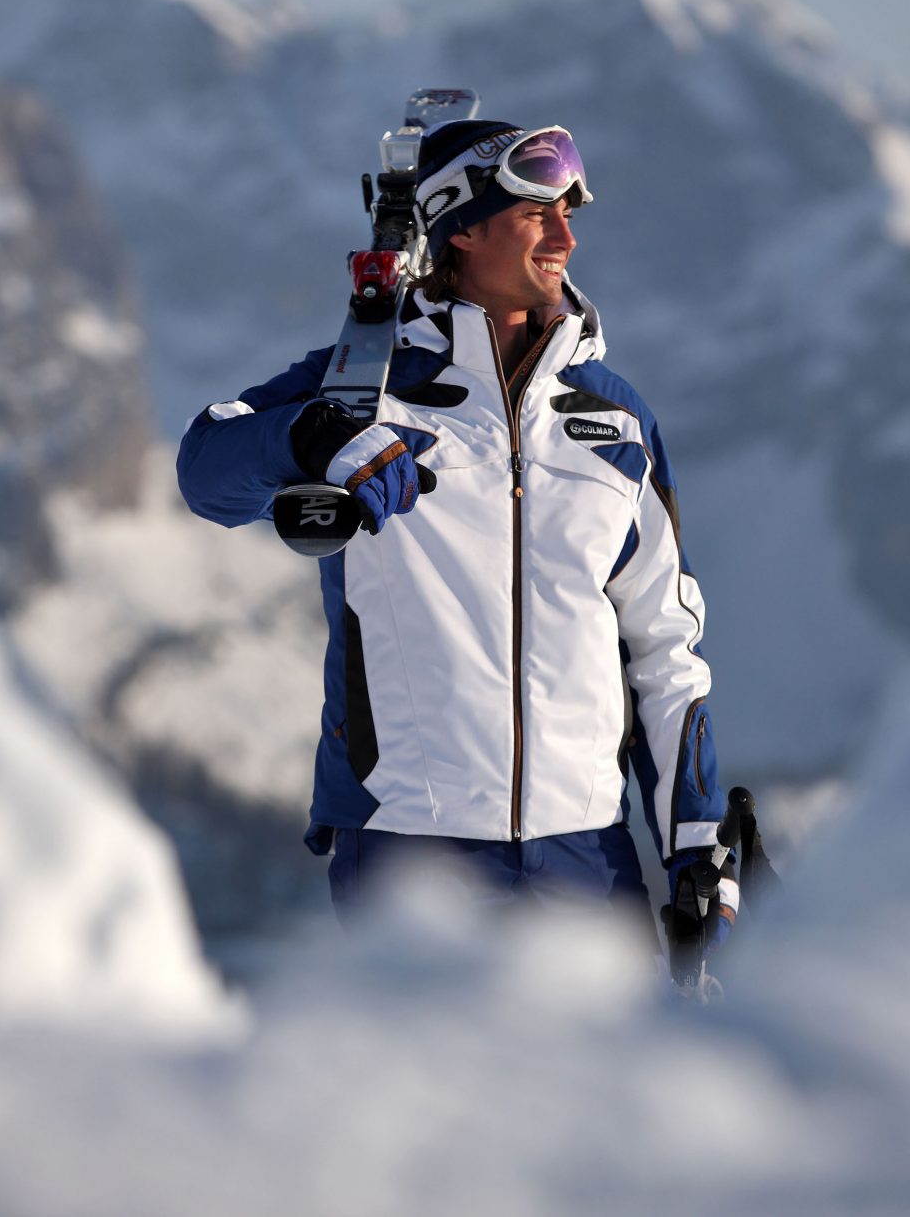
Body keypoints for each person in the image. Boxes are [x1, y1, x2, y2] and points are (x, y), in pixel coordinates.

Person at [177, 119, 737, 967]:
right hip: (413, 856)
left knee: (603, 1104)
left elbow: (662, 646)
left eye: (570, 213)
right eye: (537, 213)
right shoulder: (364, 385)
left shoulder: (614, 420)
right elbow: (205, 468)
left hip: (589, 853)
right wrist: (315, 437)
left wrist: (697, 847)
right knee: (426, 1103)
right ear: (460, 228)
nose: (566, 236)